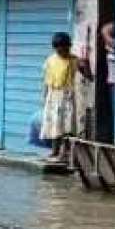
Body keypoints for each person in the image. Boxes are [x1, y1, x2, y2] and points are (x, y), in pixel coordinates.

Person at [41, 32, 92, 160]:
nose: (62, 51)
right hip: (53, 96)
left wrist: (86, 65)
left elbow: (89, 77)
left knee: (66, 125)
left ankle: (64, 153)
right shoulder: (50, 60)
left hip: (67, 96)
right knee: (54, 124)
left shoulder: (74, 60)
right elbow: (46, 81)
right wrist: (45, 97)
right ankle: (54, 151)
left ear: (69, 47)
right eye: (59, 49)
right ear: (55, 48)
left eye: (65, 48)